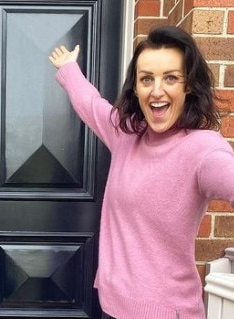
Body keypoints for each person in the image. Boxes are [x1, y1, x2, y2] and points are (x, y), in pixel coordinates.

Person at [49, 25, 234, 319]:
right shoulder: (127, 135)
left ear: (188, 86)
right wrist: (70, 69)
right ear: (136, 88)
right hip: (114, 305)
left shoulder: (204, 150)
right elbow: (91, 104)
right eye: (147, 79)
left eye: (171, 78)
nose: (157, 90)